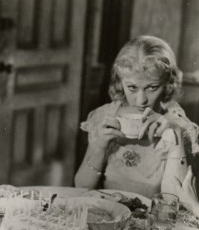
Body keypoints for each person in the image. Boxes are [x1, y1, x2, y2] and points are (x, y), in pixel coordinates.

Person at [75, 36, 199, 202]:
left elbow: (181, 203)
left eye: (152, 88)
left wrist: (174, 139)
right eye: (132, 87)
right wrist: (100, 148)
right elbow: (81, 187)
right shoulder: (106, 117)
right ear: (120, 83)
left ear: (167, 84)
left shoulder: (179, 127)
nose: (141, 100)